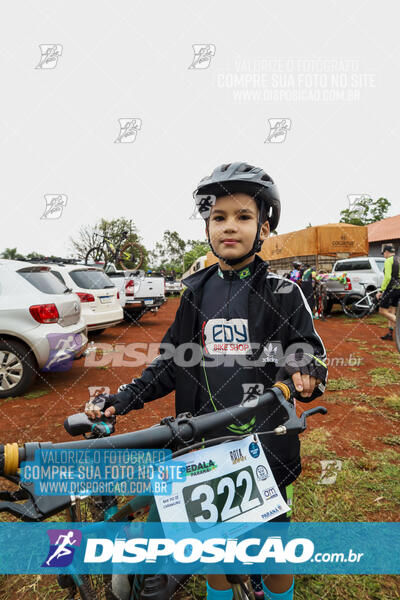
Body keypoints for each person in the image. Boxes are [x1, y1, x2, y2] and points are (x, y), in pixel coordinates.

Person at [85, 162, 328, 600]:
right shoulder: (195, 293)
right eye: (218, 217)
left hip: (264, 444)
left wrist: (304, 370)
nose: (229, 227)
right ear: (207, 226)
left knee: (274, 552)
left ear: (265, 228)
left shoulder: (284, 293)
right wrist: (122, 399)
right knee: (217, 550)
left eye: (243, 216)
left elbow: (306, 347)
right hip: (205, 449)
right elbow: (169, 363)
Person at [376, 244, 400, 341]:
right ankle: (390, 334)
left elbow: (388, 277)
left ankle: (398, 324)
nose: (384, 255)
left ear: (386, 252)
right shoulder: (399, 259)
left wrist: (381, 290)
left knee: (382, 311)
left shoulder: (388, 260)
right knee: (392, 311)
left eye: (383, 253)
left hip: (391, 288)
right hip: (398, 289)